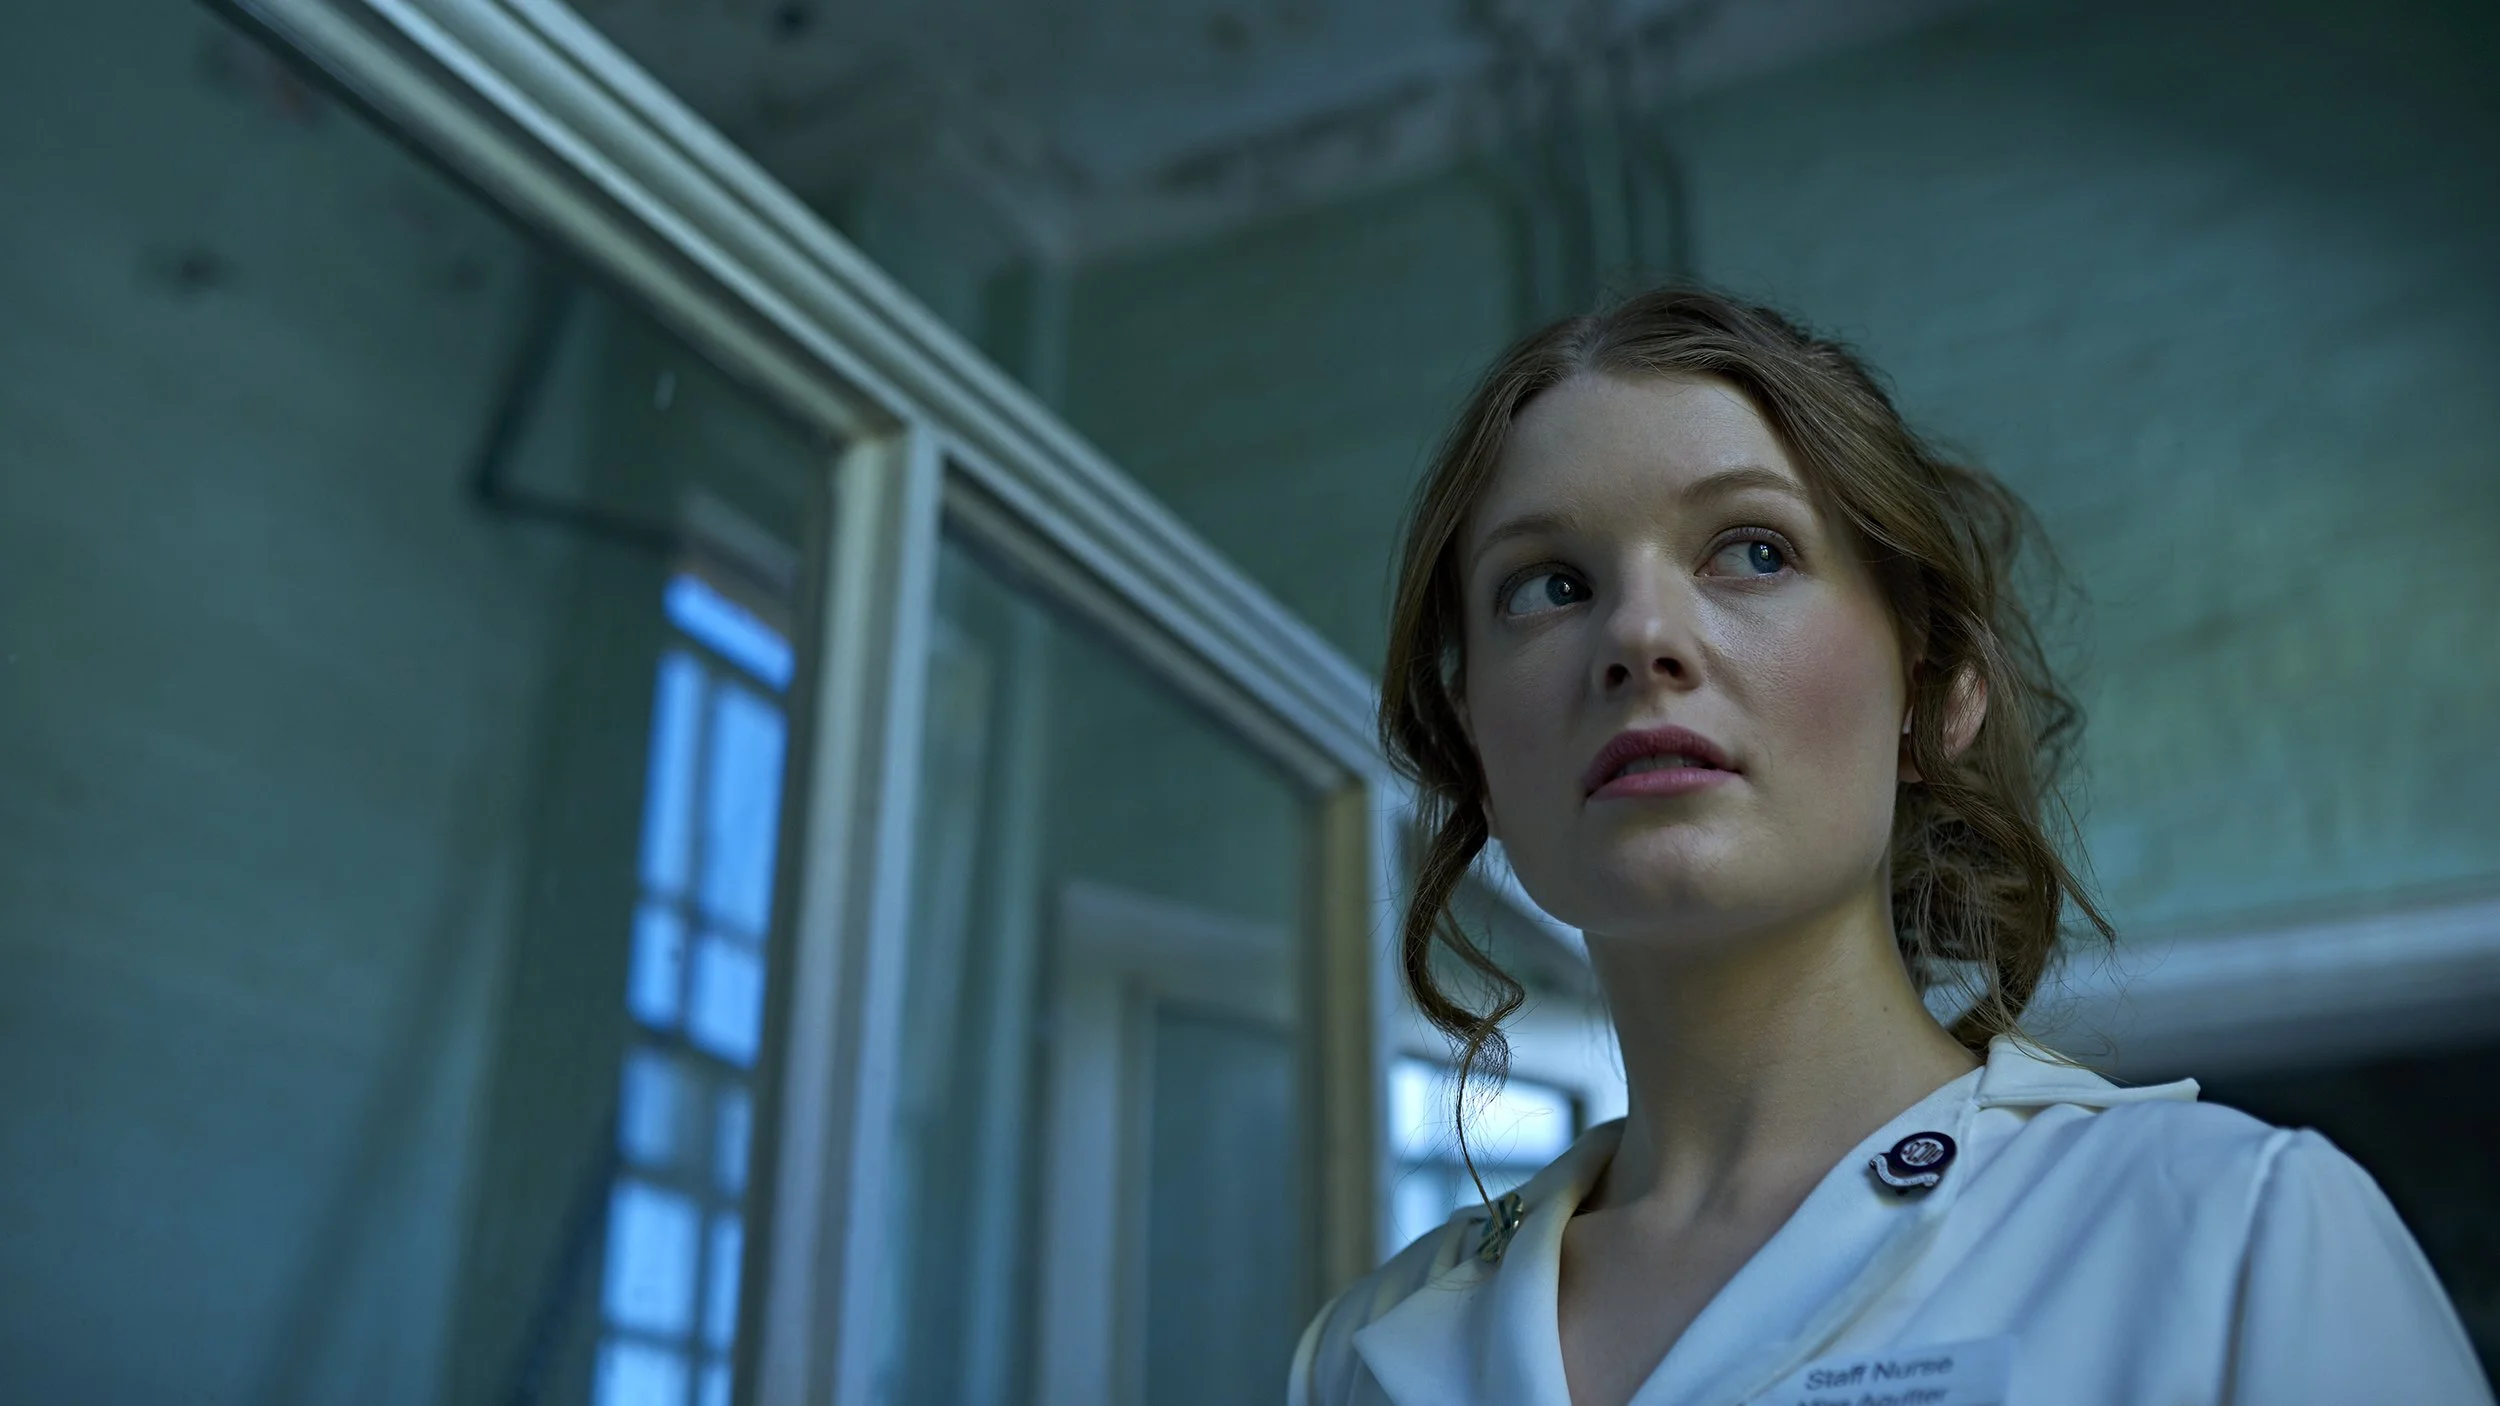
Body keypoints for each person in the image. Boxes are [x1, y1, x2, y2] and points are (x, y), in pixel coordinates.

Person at [1290, 287, 2490, 1406]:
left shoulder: (2241, 1229)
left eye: (1752, 549)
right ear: (1474, 749)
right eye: (1546, 584)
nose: (1639, 633)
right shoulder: (1363, 1350)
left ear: (1932, 691)